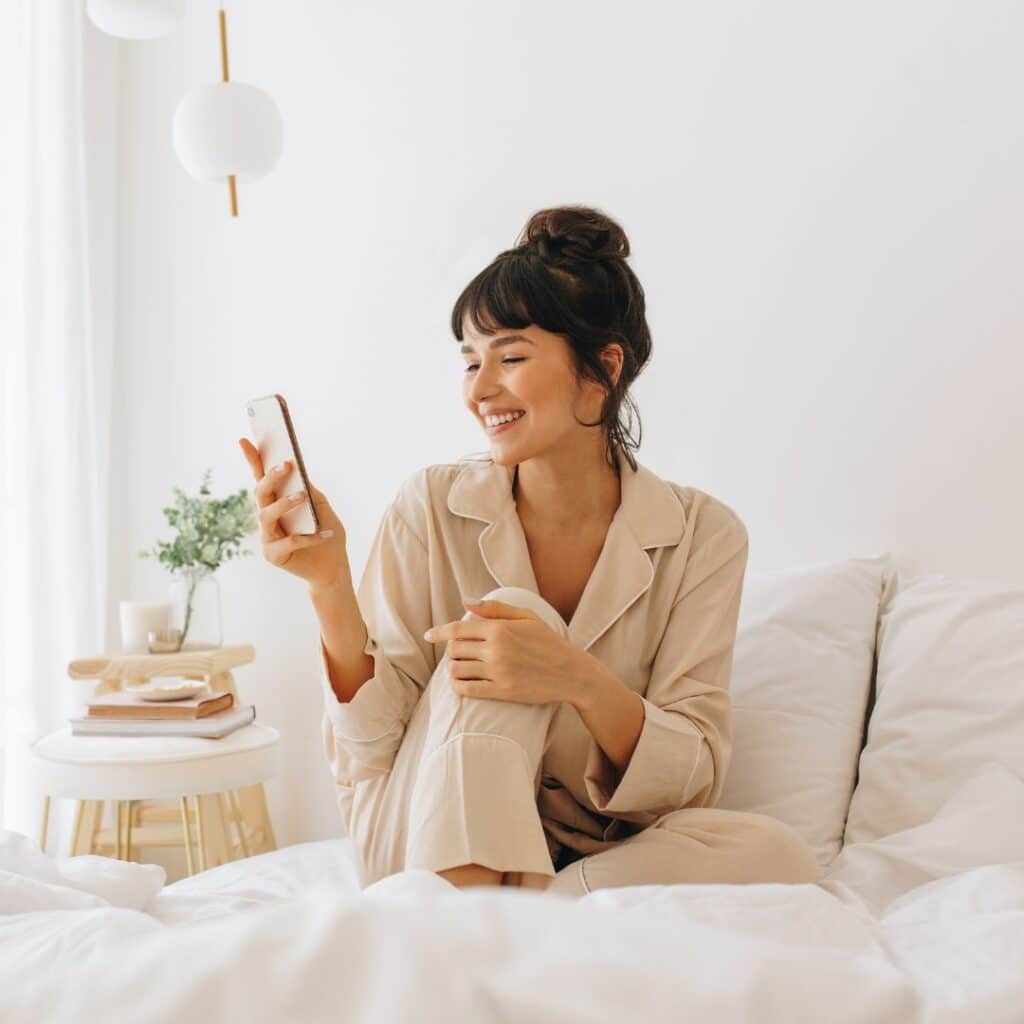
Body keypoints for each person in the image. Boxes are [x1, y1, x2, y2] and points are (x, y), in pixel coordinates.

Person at [239, 205, 820, 897]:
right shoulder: (428, 504)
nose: (480, 390)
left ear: (602, 368)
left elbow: (688, 776)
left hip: (590, 849)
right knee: (512, 617)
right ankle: (469, 909)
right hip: (425, 828)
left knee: (780, 856)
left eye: (510, 357)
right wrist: (329, 587)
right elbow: (371, 750)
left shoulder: (704, 535)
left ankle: (539, 906)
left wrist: (575, 678)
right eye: (469, 361)